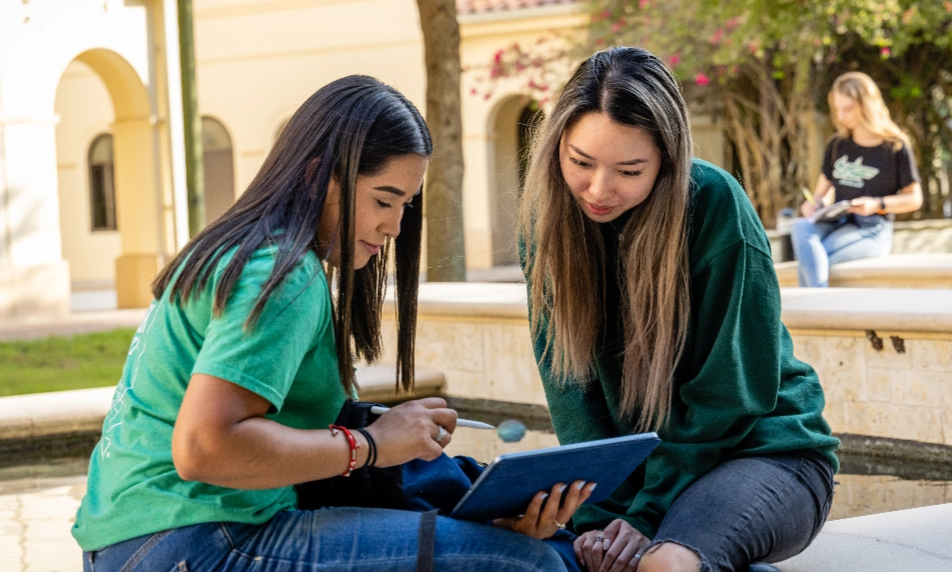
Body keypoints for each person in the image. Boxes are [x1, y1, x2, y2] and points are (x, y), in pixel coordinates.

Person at [72, 75, 594, 572]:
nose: (393, 226)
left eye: (406, 206)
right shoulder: (282, 275)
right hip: (200, 542)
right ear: (317, 174)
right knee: (530, 564)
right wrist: (372, 446)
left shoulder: (243, 250)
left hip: (134, 544)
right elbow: (204, 447)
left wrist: (395, 439)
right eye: (383, 200)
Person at [518, 47, 840, 572]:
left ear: (667, 161)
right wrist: (599, 515)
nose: (598, 190)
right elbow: (572, 394)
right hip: (651, 477)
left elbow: (728, 396)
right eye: (580, 162)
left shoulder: (714, 205)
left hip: (765, 453)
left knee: (664, 564)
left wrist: (645, 516)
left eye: (629, 169)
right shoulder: (546, 225)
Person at [791, 71, 923, 287]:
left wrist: (876, 204)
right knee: (800, 228)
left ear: (867, 105)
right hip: (836, 222)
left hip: (871, 229)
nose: (841, 116)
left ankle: (816, 306)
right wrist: (813, 205)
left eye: (848, 108)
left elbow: (914, 199)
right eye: (837, 109)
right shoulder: (837, 144)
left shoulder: (895, 147)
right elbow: (819, 195)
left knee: (817, 259)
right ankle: (819, 306)